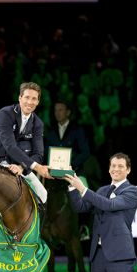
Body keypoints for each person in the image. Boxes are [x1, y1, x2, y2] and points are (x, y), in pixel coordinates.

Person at [0, 81, 51, 200]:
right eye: (27, 97)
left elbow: (38, 154)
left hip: (19, 165)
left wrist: (21, 167)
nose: (30, 102)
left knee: (43, 195)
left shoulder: (38, 123)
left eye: (34, 99)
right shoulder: (4, 115)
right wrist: (37, 167)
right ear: (20, 98)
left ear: (38, 102)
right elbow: (10, 146)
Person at [44, 99, 97, 239]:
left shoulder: (77, 130)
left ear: (68, 112)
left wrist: (71, 164)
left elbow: (85, 151)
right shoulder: (50, 131)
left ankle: (83, 228)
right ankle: (43, 226)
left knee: (85, 193)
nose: (57, 113)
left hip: (74, 172)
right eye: (56, 110)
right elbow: (45, 151)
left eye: (61, 110)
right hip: (53, 172)